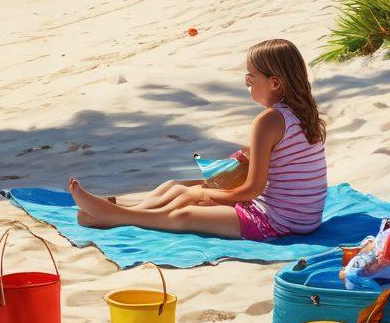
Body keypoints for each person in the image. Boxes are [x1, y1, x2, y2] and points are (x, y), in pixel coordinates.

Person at [68, 38, 327, 240]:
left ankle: (118, 216)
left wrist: (208, 194)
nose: (247, 84)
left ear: (274, 83)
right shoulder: (303, 112)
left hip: (279, 221)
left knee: (186, 212)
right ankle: (126, 209)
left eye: (250, 78)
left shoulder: (268, 121)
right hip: (304, 217)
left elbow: (253, 189)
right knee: (178, 187)